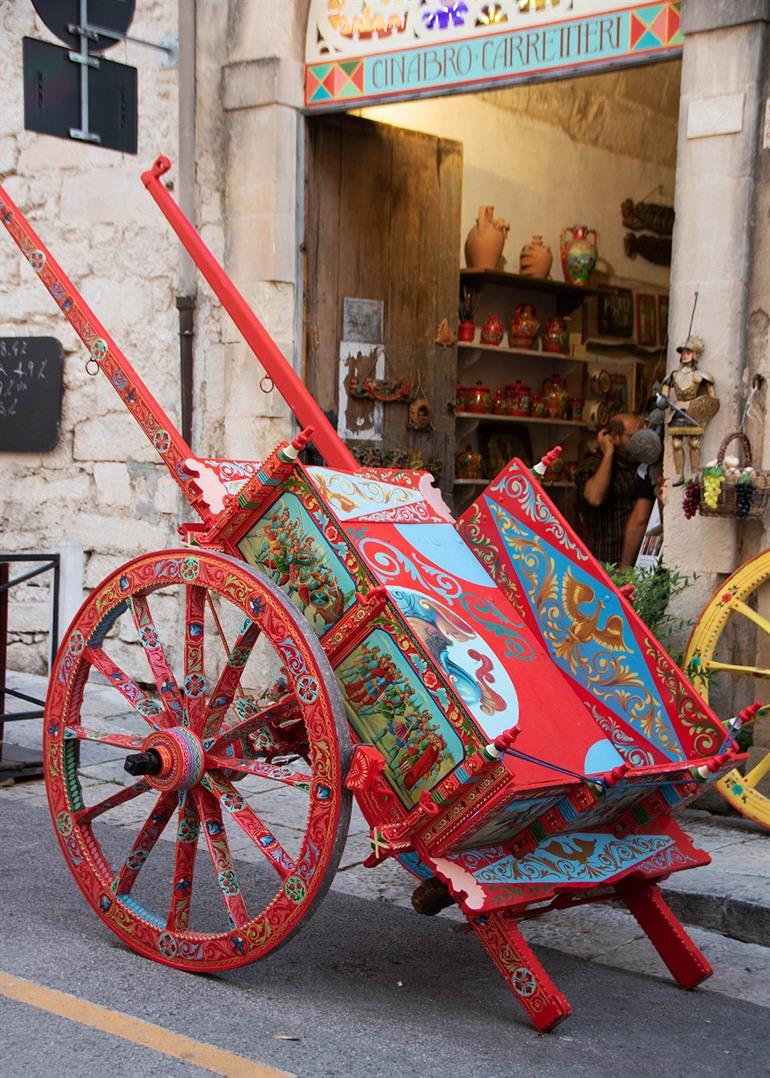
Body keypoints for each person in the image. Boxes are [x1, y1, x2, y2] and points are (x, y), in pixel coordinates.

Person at [574, 413, 655, 567]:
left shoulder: (639, 465)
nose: (639, 444)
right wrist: (608, 454)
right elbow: (594, 497)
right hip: (602, 560)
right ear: (613, 437)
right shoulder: (593, 463)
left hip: (636, 563)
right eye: (633, 437)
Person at [658, 334, 719, 484]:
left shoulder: (700, 376)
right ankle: (679, 474)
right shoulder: (673, 375)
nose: (685, 356)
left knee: (694, 443)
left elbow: (712, 399)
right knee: (676, 444)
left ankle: (693, 473)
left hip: (693, 411)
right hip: (677, 411)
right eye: (683, 353)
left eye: (688, 352)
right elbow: (664, 395)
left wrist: (704, 411)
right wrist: (662, 399)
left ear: (694, 355)